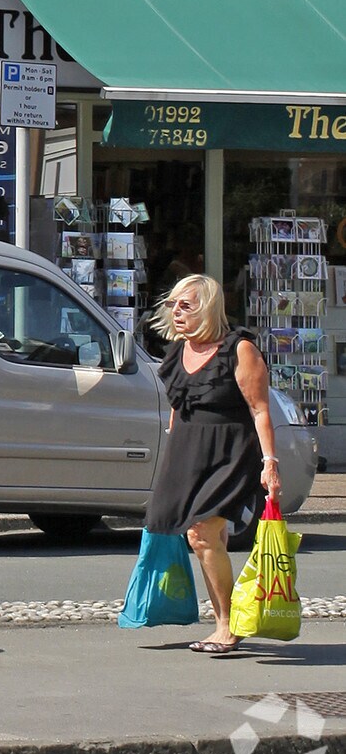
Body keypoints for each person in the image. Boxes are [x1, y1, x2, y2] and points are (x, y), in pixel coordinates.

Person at [142, 273, 281, 656]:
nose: (176, 312)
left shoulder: (240, 350)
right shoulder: (177, 352)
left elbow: (260, 410)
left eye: (185, 305)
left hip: (230, 451)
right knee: (204, 538)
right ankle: (228, 619)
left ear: (208, 308)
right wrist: (172, 453)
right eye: (173, 305)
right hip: (188, 449)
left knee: (202, 534)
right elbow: (178, 407)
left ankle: (227, 626)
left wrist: (270, 462)